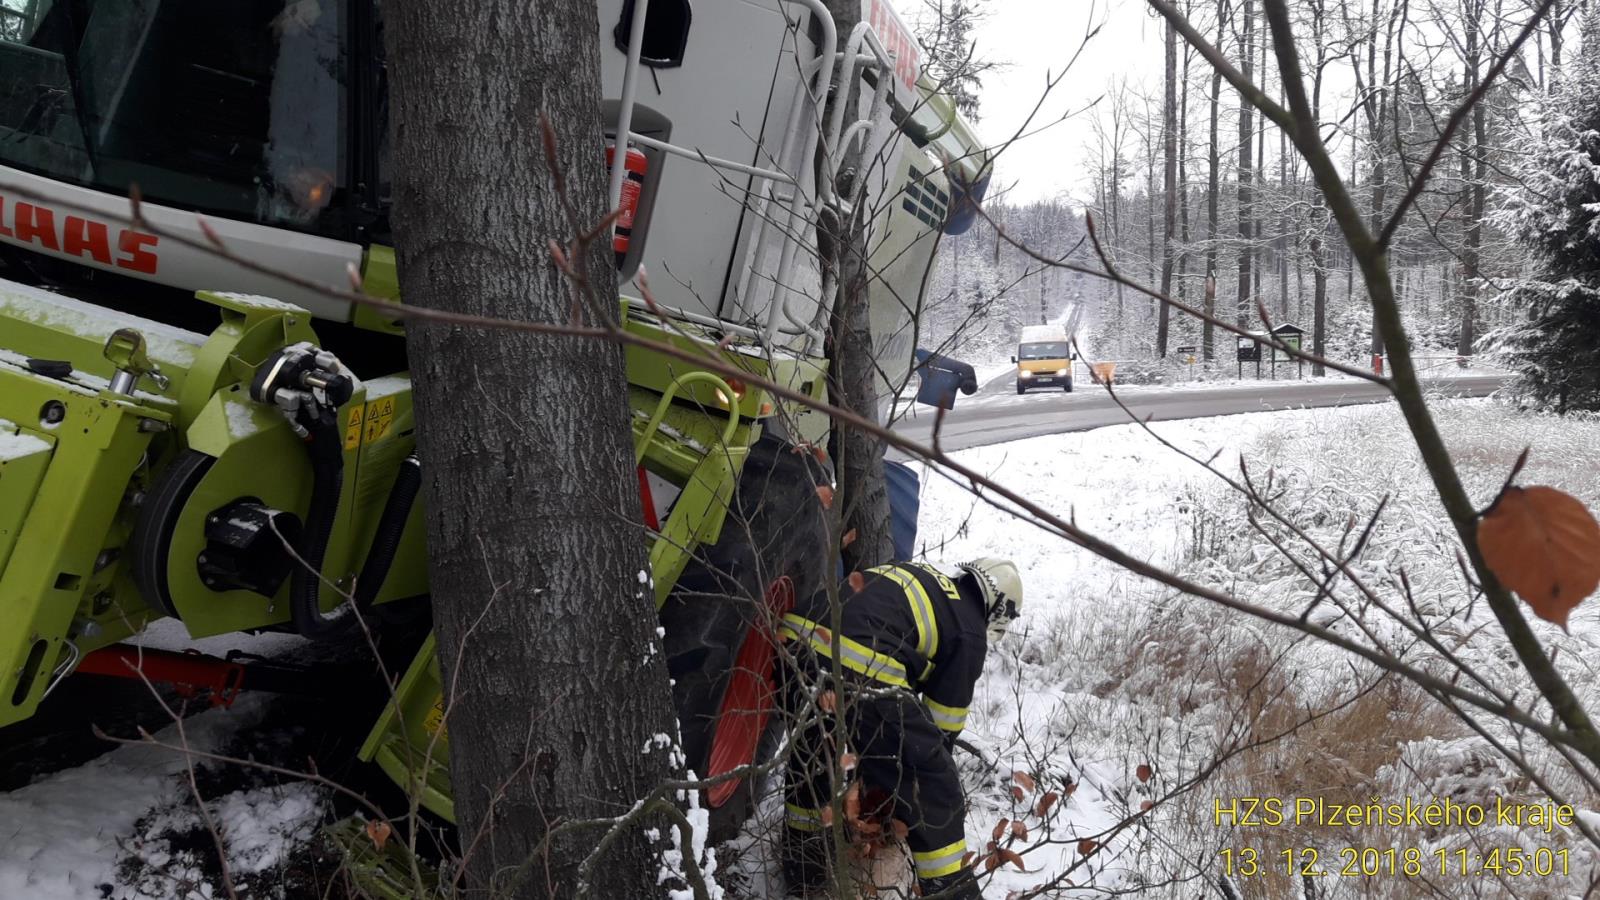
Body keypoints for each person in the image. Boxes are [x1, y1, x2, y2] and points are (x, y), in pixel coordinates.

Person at [777, 557, 1024, 898]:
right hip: (856, 667)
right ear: (999, 612)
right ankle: (950, 891)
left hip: (791, 649)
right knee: (935, 786)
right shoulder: (969, 630)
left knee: (822, 755)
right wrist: (910, 781)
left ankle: (803, 871)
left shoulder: (927, 578)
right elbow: (942, 728)